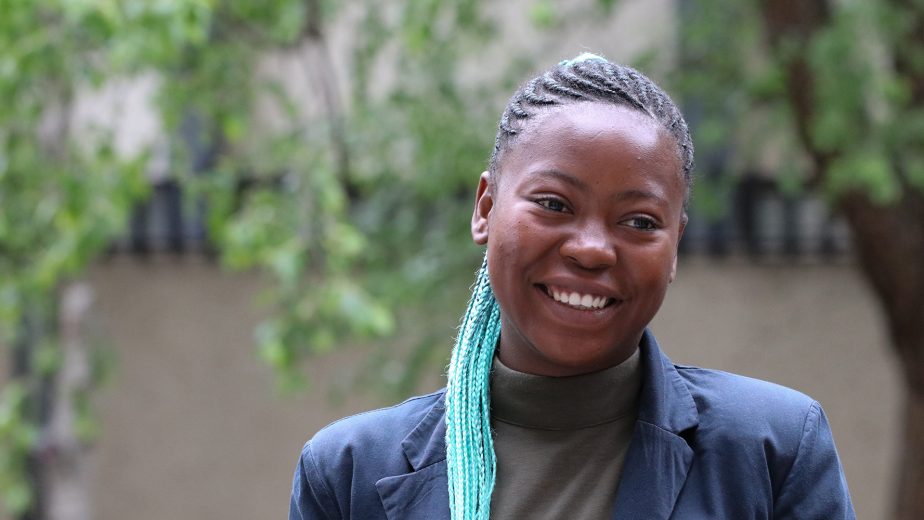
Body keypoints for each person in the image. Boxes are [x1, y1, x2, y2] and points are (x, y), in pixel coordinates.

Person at [288, 54, 855, 520]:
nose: (591, 249)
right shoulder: (350, 473)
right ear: (485, 208)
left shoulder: (769, 450)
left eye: (639, 222)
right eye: (554, 205)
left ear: (675, 243)